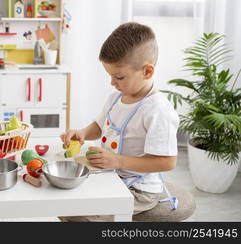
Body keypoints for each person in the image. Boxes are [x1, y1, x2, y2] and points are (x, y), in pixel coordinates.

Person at [60, 22, 179, 221]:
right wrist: (82, 133)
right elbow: (99, 127)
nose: (113, 83)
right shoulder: (115, 98)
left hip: (139, 188)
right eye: (110, 76)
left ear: (147, 71)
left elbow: (167, 161)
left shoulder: (158, 110)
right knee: (66, 203)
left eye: (119, 77)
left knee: (81, 217)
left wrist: (118, 161)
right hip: (111, 175)